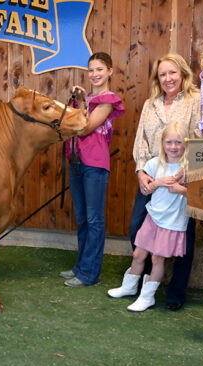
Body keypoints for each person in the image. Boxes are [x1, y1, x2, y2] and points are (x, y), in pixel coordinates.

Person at [129, 53, 201, 311]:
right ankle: (144, 283)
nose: (168, 78)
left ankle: (176, 292)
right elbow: (141, 140)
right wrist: (141, 172)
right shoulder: (151, 104)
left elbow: (200, 138)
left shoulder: (195, 100)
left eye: (173, 73)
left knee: (185, 235)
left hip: (181, 176)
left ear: (182, 74)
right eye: (163, 74)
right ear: (157, 78)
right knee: (138, 226)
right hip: (151, 174)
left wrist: (187, 171)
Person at [108, 122, 188, 312]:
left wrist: (180, 189)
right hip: (153, 218)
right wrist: (158, 182)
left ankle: (148, 296)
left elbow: (199, 196)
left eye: (178, 142)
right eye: (169, 142)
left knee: (157, 260)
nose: (173, 147)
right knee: (138, 254)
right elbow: (146, 189)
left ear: (185, 144)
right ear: (162, 143)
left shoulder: (188, 168)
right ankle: (129, 287)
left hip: (172, 223)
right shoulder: (154, 164)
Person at [60, 52, 125, 287]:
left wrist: (82, 103)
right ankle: (81, 267)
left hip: (95, 164)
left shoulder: (107, 100)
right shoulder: (84, 99)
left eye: (99, 69)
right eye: (91, 70)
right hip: (76, 161)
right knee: (83, 219)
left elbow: (85, 127)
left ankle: (90, 274)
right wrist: (79, 100)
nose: (95, 74)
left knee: (94, 219)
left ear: (110, 71)